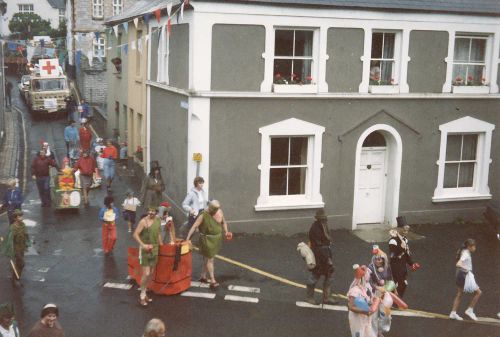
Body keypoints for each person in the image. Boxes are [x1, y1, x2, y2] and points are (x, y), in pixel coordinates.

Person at [186, 200, 232, 290]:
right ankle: (212, 280)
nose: (215, 212)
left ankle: (203, 276)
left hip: (216, 239)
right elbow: (194, 226)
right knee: (210, 259)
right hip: (207, 240)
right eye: (214, 210)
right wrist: (187, 238)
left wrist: (226, 232)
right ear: (210, 208)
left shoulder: (220, 211)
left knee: (207, 258)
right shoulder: (203, 214)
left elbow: (224, 222)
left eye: (216, 210)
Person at [305, 209, 337, 305]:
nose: (325, 220)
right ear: (319, 219)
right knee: (314, 276)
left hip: (325, 254)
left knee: (329, 275)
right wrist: (327, 259)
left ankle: (326, 298)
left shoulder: (324, 226)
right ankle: (309, 297)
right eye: (323, 219)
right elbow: (319, 246)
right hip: (319, 256)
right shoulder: (315, 229)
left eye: (325, 218)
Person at [133, 207, 163, 306]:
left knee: (151, 273)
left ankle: (144, 292)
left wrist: (161, 244)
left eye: (153, 211)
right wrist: (143, 245)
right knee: (146, 273)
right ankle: (142, 295)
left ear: (156, 212)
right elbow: (135, 234)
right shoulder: (143, 222)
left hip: (154, 249)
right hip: (145, 250)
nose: (150, 212)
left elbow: (158, 233)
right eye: (149, 210)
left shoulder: (158, 220)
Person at [449, 239, 482, 321]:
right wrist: (467, 270)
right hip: (464, 275)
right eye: (474, 246)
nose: (475, 248)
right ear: (469, 247)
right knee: (478, 293)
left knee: (459, 293)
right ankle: (470, 310)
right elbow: (458, 264)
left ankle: (453, 313)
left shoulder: (464, 251)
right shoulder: (466, 254)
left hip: (459, 274)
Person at [388, 219, 419, 298]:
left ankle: (397, 300)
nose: (406, 231)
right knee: (396, 283)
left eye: (407, 230)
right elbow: (393, 255)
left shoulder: (405, 240)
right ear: (399, 229)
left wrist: (411, 263)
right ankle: (391, 299)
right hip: (395, 265)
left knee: (404, 284)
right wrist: (401, 248)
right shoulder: (393, 241)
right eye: (404, 229)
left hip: (402, 265)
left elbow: (406, 253)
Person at [0, 210, 30, 287]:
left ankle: (15, 278)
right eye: (19, 216)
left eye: (21, 216)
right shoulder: (13, 227)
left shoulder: (23, 225)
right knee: (21, 263)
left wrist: (27, 243)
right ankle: (16, 278)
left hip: (22, 247)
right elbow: (9, 240)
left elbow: (26, 235)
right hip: (16, 248)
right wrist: (8, 250)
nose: (21, 218)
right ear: (15, 218)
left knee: (18, 264)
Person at [347, 264, 377, 337]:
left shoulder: (367, 288)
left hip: (366, 318)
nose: (368, 279)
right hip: (357, 319)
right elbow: (351, 306)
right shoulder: (355, 290)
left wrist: (374, 302)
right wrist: (364, 311)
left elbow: (371, 299)